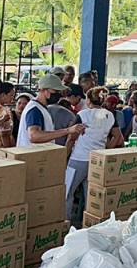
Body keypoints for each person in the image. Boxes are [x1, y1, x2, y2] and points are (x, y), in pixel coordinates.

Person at [66, 86, 124, 228]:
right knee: (90, 196)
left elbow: (71, 138)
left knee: (67, 193)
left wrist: (64, 157)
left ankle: (65, 225)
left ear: (88, 100)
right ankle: (89, 226)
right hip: (97, 161)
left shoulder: (83, 114)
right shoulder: (109, 115)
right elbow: (118, 137)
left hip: (78, 159)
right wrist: (104, 152)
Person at [17, 74, 86, 147]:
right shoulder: (35, 109)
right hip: (29, 156)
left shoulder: (40, 107)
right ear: (45, 90)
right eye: (56, 91)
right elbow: (34, 136)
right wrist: (68, 130)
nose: (58, 94)